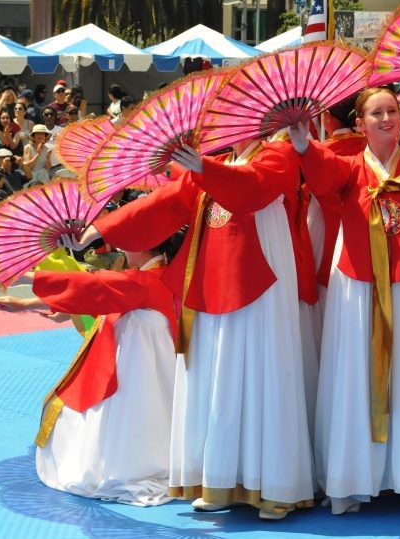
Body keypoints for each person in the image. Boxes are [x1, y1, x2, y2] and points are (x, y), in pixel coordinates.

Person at [75, 137, 314, 520]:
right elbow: (163, 203)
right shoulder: (211, 163)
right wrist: (98, 232)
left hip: (261, 278)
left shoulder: (277, 154)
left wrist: (204, 168)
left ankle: (276, 486)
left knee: (264, 370)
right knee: (218, 375)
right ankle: (220, 480)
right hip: (213, 280)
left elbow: (252, 190)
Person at [287, 68, 400, 515]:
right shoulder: (348, 170)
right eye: (376, 112)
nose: (386, 118)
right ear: (360, 122)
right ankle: (352, 478)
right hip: (358, 288)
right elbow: (321, 173)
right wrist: (302, 138)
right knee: (356, 375)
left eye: (392, 110)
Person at [0, 238, 179, 506]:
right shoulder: (163, 275)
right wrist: (59, 308)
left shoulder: (142, 281)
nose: (123, 247)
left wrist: (20, 281)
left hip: (134, 371)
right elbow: (103, 294)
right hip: (154, 368)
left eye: (130, 240)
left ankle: (126, 464)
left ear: (145, 245)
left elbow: (90, 287)